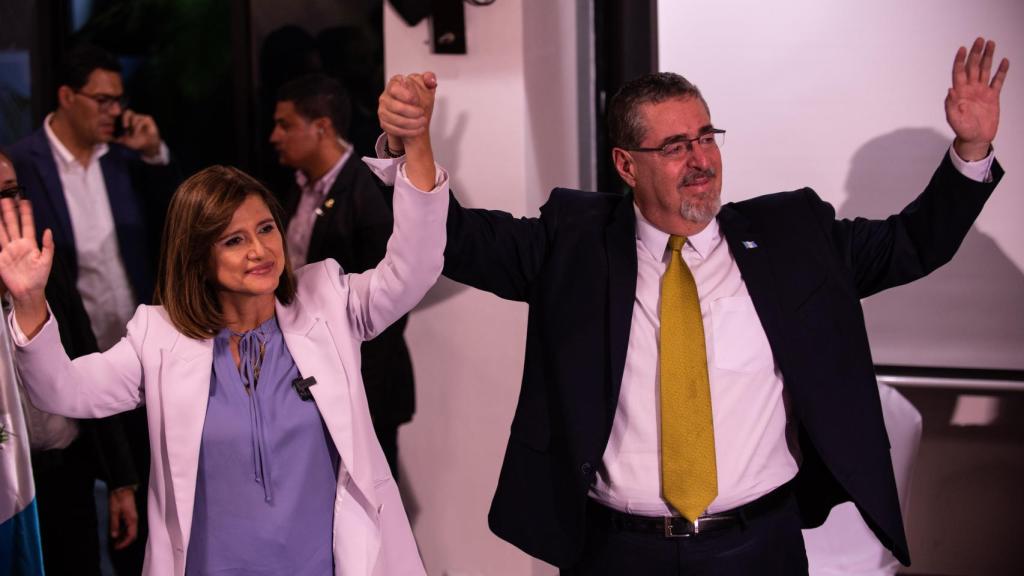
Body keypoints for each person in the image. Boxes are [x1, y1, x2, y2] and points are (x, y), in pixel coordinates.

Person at [377, 38, 1009, 574]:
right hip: (618, 552)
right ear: (627, 164)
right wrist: (412, 147)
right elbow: (451, 241)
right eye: (675, 145)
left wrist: (970, 153)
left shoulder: (793, 236)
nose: (701, 158)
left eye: (706, 135)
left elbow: (910, 244)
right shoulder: (571, 242)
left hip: (760, 545)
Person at [0, 97, 446, 574]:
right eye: (234, 240)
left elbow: (414, 267)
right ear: (196, 256)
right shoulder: (159, 336)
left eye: (266, 229)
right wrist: (28, 302)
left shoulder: (329, 301)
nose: (260, 250)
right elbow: (60, 390)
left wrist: (416, 145)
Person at [4, 43, 180, 572]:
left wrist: (154, 157)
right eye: (102, 99)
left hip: (132, 355)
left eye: (118, 99)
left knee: (139, 511)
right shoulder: (24, 163)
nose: (114, 111)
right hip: (55, 353)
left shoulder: (126, 159)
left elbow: (176, 224)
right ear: (66, 96)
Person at [1, 149, 140, 575]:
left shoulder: (44, 263)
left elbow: (85, 351)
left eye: (12, 193)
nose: (7, 208)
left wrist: (120, 479)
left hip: (67, 475)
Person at [272, 74, 416, 477]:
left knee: (371, 511)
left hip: (362, 382)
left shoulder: (368, 191)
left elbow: (389, 302)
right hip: (313, 376)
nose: (275, 136)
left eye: (285, 124)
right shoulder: (298, 188)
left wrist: (346, 386)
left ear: (321, 127)